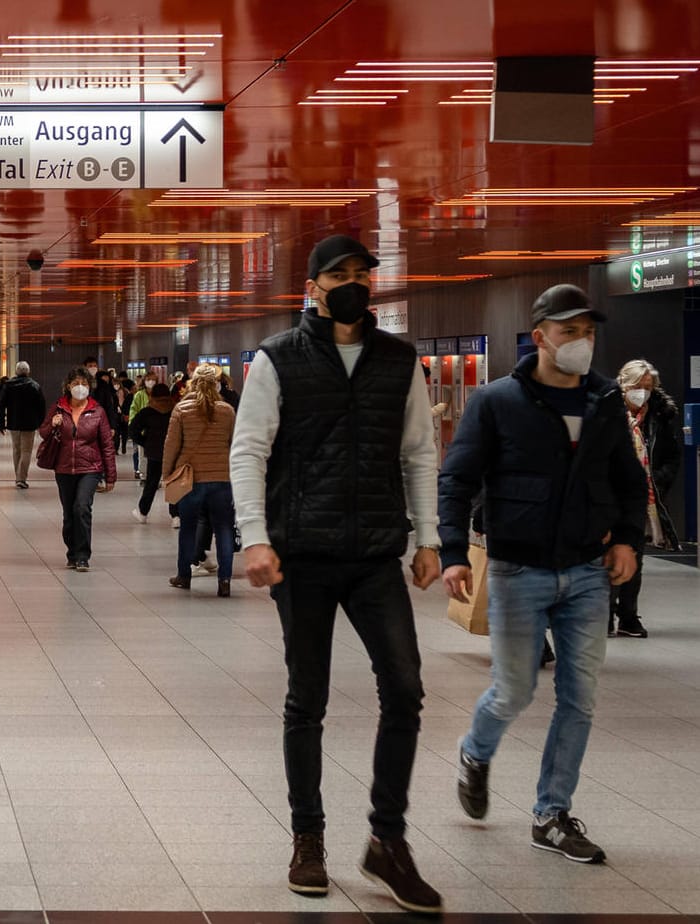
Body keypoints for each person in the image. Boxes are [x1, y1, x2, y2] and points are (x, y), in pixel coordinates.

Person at [229, 234, 442, 912]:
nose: (353, 282)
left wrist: (430, 538)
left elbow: (418, 453)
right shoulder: (277, 359)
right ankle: (308, 837)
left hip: (377, 552)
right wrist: (255, 538)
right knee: (307, 698)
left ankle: (387, 840)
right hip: (304, 555)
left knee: (405, 688)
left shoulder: (399, 361)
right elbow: (249, 452)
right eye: (339, 273)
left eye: (362, 273)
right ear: (314, 285)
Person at [440, 283, 646, 866]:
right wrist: (454, 550)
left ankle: (551, 814)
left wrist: (629, 538)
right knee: (515, 690)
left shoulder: (605, 400)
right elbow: (457, 480)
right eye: (569, 331)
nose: (582, 341)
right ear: (541, 338)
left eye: (589, 331)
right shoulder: (498, 401)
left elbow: (629, 480)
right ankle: (476, 753)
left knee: (579, 698)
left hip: (586, 570)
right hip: (516, 569)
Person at [609, 358, 682, 638]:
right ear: (624, 386)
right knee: (606, 556)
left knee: (635, 558)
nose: (643, 392)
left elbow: (671, 456)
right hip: (611, 496)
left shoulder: (660, 416)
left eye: (648, 387)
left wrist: (659, 479)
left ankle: (628, 616)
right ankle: (604, 614)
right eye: (638, 386)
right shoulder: (608, 414)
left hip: (643, 499)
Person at [163, 365, 237, 596]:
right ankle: (224, 580)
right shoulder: (227, 411)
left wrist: (167, 475)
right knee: (224, 528)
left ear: (192, 384)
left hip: (190, 478)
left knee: (188, 528)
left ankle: (184, 575)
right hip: (222, 478)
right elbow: (235, 444)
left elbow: (172, 445)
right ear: (217, 384)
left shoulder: (182, 409)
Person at [38, 367, 116, 570]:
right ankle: (72, 552)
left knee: (82, 507)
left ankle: (83, 555)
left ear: (90, 387)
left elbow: (107, 444)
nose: (80, 388)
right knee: (68, 513)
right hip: (64, 468)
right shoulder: (58, 408)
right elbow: (43, 432)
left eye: (84, 384)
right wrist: (53, 424)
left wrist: (111, 476)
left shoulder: (97, 411)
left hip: (90, 468)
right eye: (75, 384)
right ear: (68, 387)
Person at [130, 383, 176, 522]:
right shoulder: (176, 410)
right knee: (173, 483)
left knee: (151, 482)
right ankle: (176, 515)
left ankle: (143, 512)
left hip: (154, 453)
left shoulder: (147, 412)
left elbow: (133, 430)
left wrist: (146, 442)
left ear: (152, 395)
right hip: (173, 452)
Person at [0, 361, 45, 489]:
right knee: (26, 451)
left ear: (16, 372)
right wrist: (41, 423)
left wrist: (1, 423)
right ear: (28, 371)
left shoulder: (8, 385)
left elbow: (1, 406)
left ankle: (18, 476)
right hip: (30, 423)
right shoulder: (35, 386)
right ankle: (21, 478)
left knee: (16, 449)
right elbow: (41, 406)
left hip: (14, 422)